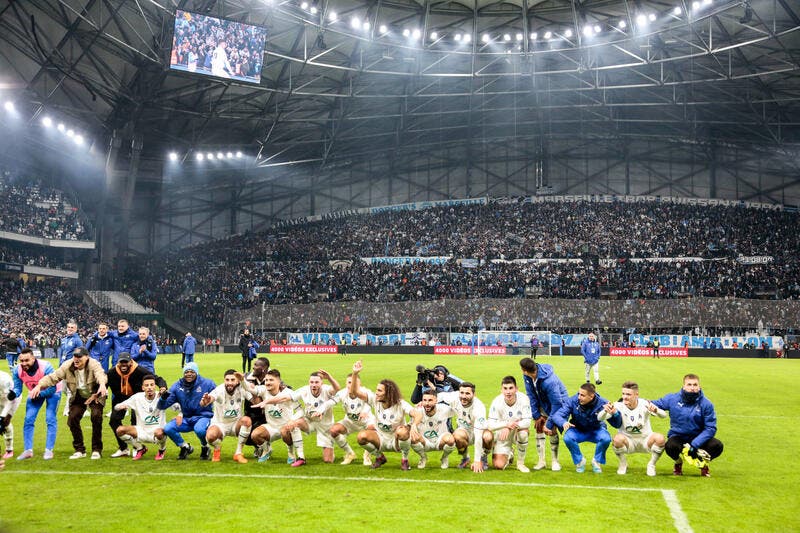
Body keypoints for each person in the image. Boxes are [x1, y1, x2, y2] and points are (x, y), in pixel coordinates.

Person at [30, 347, 108, 459]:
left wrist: (102, 384)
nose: (76, 359)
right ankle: (80, 450)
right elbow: (53, 377)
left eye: (79, 357)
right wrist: (39, 385)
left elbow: (100, 374)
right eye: (75, 356)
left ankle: (96, 450)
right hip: (78, 395)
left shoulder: (93, 364)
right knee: (72, 419)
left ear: (86, 357)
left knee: (96, 417)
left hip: (94, 394)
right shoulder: (67, 365)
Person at [349, 360, 423, 470]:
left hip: (396, 440)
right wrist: (355, 373)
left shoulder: (400, 403)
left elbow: (418, 415)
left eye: (379, 390)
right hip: (380, 438)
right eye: (376, 390)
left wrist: (414, 426)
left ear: (388, 393)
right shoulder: (375, 400)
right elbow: (355, 392)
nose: (376, 393)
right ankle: (380, 457)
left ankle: (405, 460)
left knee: (403, 431)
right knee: (361, 437)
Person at [260, 370, 340, 466]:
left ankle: (331, 446)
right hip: (309, 421)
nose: (314, 385)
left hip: (325, 425)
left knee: (328, 460)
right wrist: (266, 401)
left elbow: (337, 389)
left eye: (317, 382)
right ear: (309, 382)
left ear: (321, 383)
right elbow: (284, 398)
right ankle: (301, 457)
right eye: (311, 382)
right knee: (293, 423)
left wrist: (330, 378)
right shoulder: (304, 390)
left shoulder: (327, 390)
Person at [651, 374, 723, 477]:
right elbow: (654, 403)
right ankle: (678, 462)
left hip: (699, 438)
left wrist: (695, 444)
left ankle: (703, 463)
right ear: (684, 386)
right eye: (689, 385)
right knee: (670, 446)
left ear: (699, 387)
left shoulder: (707, 404)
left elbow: (710, 428)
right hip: (679, 436)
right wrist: (635, 401)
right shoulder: (673, 399)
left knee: (717, 446)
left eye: (695, 385)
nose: (692, 388)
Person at [598, 381, 666, 476]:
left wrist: (656, 410)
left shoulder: (644, 404)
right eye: (623, 393)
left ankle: (651, 465)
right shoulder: (618, 405)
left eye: (628, 394)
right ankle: (623, 463)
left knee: (660, 438)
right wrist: (605, 411)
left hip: (645, 440)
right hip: (628, 441)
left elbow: (664, 415)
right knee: (617, 439)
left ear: (636, 394)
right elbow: (600, 418)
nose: (625, 397)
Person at [106, 352, 167, 458]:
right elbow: (104, 383)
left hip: (137, 398)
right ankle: (123, 448)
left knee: (135, 420)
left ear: (131, 362)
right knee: (114, 421)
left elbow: (157, 379)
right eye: (121, 362)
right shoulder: (112, 372)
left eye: (126, 362)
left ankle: (137, 448)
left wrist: (162, 387)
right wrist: (100, 390)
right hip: (120, 398)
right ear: (118, 363)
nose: (124, 364)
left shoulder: (139, 370)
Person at [551, 382, 620, 473]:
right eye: (579, 394)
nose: (579, 397)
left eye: (582, 395)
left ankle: (596, 461)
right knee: (568, 438)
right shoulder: (572, 401)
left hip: (596, 430)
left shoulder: (604, 403)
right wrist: (563, 422)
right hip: (577, 429)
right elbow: (557, 416)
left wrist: (615, 414)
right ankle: (580, 461)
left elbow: (616, 424)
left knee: (606, 438)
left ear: (591, 396)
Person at [158, 362, 216, 460]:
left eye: (192, 371)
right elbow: (162, 406)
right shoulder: (177, 386)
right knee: (168, 428)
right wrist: (163, 398)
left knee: (200, 429)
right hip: (185, 418)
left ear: (196, 373)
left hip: (202, 416)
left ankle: (205, 447)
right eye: (186, 372)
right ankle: (185, 447)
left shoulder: (208, 384)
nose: (189, 374)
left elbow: (219, 396)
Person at [519, 357, 569, 471]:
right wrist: (536, 415)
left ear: (524, 370)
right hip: (543, 402)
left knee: (551, 430)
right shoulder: (527, 376)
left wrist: (550, 423)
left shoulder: (549, 381)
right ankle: (541, 461)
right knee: (539, 426)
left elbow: (557, 404)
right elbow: (531, 395)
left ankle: (555, 461)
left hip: (558, 404)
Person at [316, 371, 375, 465]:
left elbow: (371, 403)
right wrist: (320, 410)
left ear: (360, 384)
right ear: (346, 384)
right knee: (334, 430)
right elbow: (330, 403)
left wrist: (365, 411)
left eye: (354, 382)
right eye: (349, 382)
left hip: (366, 421)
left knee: (372, 428)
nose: (351, 385)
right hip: (350, 421)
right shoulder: (342, 393)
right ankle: (350, 453)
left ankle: (367, 455)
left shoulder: (365, 391)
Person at [12, 348, 60, 460]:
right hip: (35, 393)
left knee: (50, 418)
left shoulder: (46, 367)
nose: (24, 363)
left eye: (27, 360)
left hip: (53, 392)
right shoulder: (17, 370)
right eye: (21, 361)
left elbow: (52, 388)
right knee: (28, 419)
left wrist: (38, 394)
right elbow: (18, 389)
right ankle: (28, 450)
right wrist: (11, 394)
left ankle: (49, 450)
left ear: (33, 358)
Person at [246, 369, 303, 463]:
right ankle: (266, 450)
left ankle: (291, 453)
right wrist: (241, 380)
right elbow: (250, 389)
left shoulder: (288, 393)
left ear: (279, 381)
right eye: (266, 380)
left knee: (285, 431)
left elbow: (300, 411)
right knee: (255, 435)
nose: (267, 382)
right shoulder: (263, 390)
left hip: (286, 427)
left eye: (271, 380)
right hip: (271, 427)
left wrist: (292, 420)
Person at [201, 369, 253, 463]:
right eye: (227, 380)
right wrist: (205, 401)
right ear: (224, 380)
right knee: (210, 436)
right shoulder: (219, 390)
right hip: (220, 424)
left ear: (237, 380)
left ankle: (238, 453)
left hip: (235, 423)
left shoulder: (242, 388)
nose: (229, 382)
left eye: (232, 380)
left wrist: (249, 387)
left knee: (247, 420)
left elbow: (254, 400)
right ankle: (217, 448)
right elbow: (208, 400)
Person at [113, 374, 169, 460]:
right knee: (120, 430)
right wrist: (120, 407)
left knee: (159, 433)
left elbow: (177, 405)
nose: (149, 387)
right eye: (146, 385)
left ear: (155, 386)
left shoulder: (162, 397)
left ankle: (162, 450)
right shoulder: (137, 397)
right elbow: (116, 406)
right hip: (142, 431)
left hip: (158, 431)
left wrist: (180, 415)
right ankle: (140, 448)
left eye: (152, 385)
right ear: (143, 388)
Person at [438, 382, 490, 473]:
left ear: (474, 394)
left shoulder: (478, 407)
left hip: (479, 431)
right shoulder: (454, 397)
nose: (464, 396)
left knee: (488, 437)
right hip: (464, 431)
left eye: (467, 393)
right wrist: (422, 402)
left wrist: (477, 460)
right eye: (462, 393)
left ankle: (483, 457)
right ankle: (465, 458)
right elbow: (441, 396)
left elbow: (478, 436)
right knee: (457, 436)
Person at [485, 376, 532, 472]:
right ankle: (509, 453)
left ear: (516, 389)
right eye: (505, 388)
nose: (508, 392)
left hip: (516, 432)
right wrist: (506, 424)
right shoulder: (497, 401)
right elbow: (490, 425)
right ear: (501, 390)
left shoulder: (524, 399)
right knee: (498, 465)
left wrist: (510, 427)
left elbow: (527, 421)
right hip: (502, 434)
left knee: (523, 433)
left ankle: (520, 463)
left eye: (511, 388)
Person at [411, 389, 458, 469]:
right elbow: (411, 426)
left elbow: (459, 409)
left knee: (450, 439)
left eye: (430, 400)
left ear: (436, 401)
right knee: (412, 436)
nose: (427, 403)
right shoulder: (418, 411)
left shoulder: (444, 409)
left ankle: (444, 457)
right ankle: (423, 457)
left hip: (440, 441)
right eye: (424, 400)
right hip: (424, 442)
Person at [0, 370, 21, 458]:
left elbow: (10, 399)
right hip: (0, 397)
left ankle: (9, 450)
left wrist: (2, 416)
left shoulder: (4, 379)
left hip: (12, 398)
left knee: (5, 422)